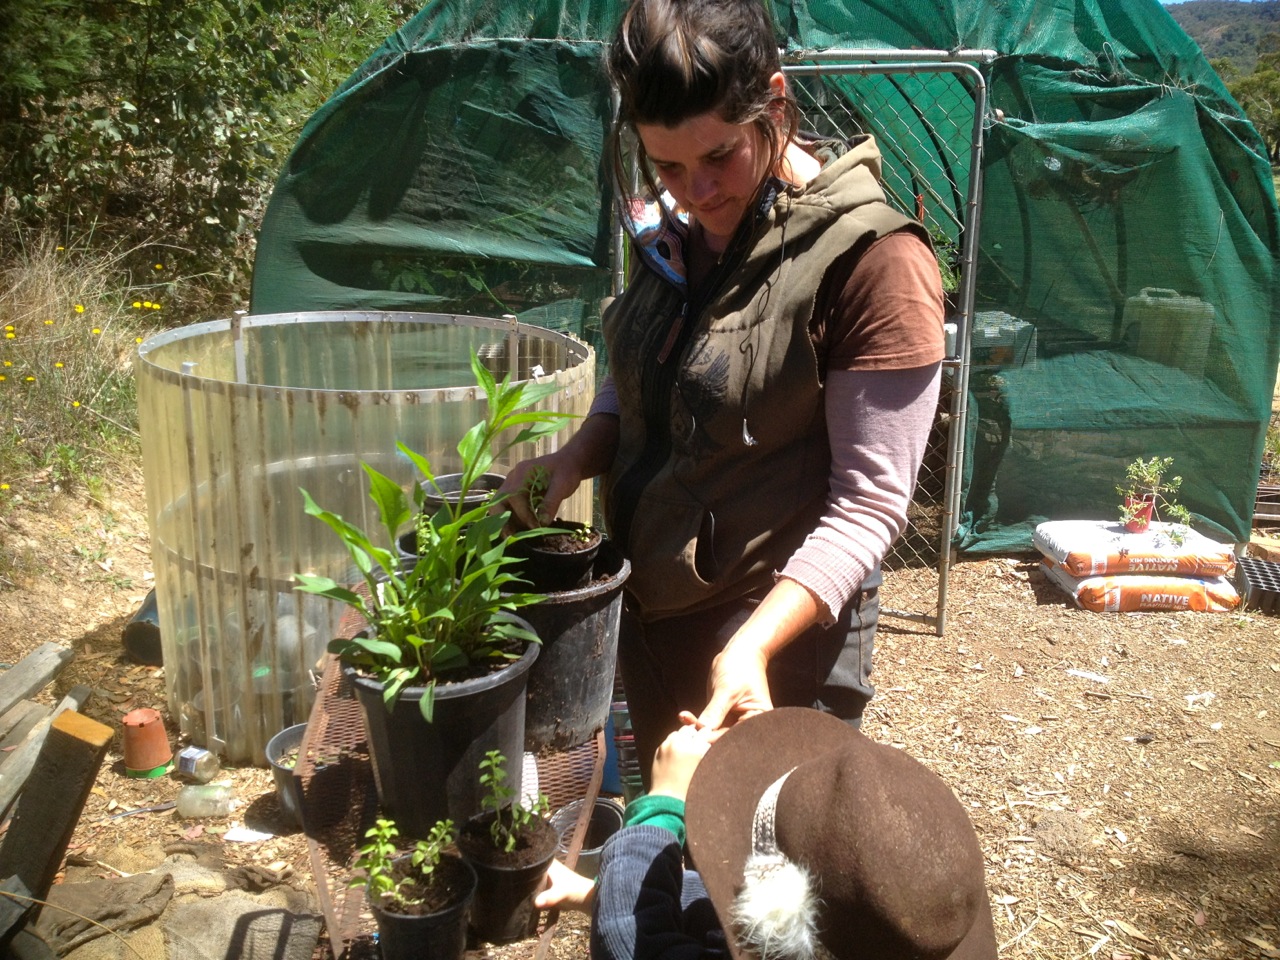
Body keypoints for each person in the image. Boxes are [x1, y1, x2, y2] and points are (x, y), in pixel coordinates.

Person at [501, 0, 945, 783]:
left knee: (756, 878)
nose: (696, 190)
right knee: (671, 836)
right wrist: (575, 455)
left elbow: (871, 504)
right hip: (652, 607)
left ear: (775, 102)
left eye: (719, 157)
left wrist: (753, 645)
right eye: (666, 166)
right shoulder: (677, 235)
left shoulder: (875, 263)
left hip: (775, 646)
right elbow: (645, 373)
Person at [535, 707, 997, 960]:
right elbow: (716, 912)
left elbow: (633, 944)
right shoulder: (889, 933)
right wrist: (601, 894)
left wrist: (663, 806)